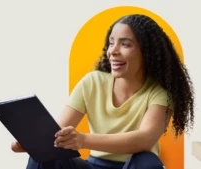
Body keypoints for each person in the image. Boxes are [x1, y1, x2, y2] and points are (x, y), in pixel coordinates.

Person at [11, 14, 195, 169]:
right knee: (43, 156)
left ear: (146, 52)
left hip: (133, 165)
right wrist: (35, 143)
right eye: (111, 43)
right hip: (93, 165)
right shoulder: (92, 82)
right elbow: (57, 134)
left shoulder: (159, 93)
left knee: (147, 162)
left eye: (125, 44)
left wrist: (83, 140)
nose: (112, 51)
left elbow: (145, 140)